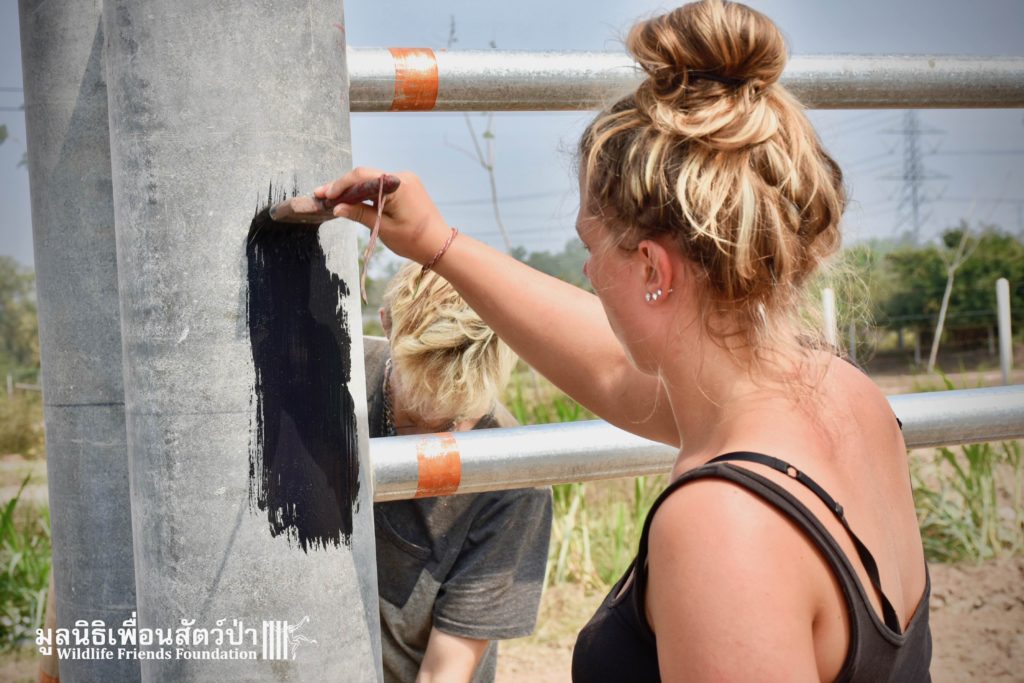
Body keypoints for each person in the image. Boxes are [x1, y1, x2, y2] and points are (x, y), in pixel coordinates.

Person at [315, 1, 932, 679]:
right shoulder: (847, 400)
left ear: (652, 270)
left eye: (591, 245)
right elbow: (611, 370)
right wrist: (438, 243)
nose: (586, 273)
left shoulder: (724, 527)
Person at [367, 262, 552, 683]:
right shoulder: (337, 378)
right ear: (387, 325)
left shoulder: (512, 480)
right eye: (425, 379)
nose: (441, 405)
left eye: (463, 388)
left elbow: (443, 672)